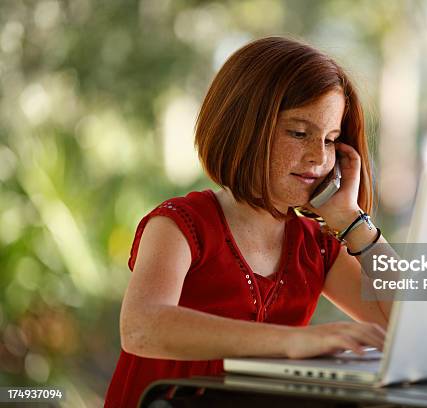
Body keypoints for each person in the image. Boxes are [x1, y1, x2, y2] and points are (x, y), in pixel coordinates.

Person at [104, 36, 393, 407]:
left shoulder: (316, 247)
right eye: (299, 133)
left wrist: (353, 221)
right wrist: (293, 342)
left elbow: (408, 323)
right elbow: (140, 328)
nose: (317, 156)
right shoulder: (180, 225)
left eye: (331, 139)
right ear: (243, 127)